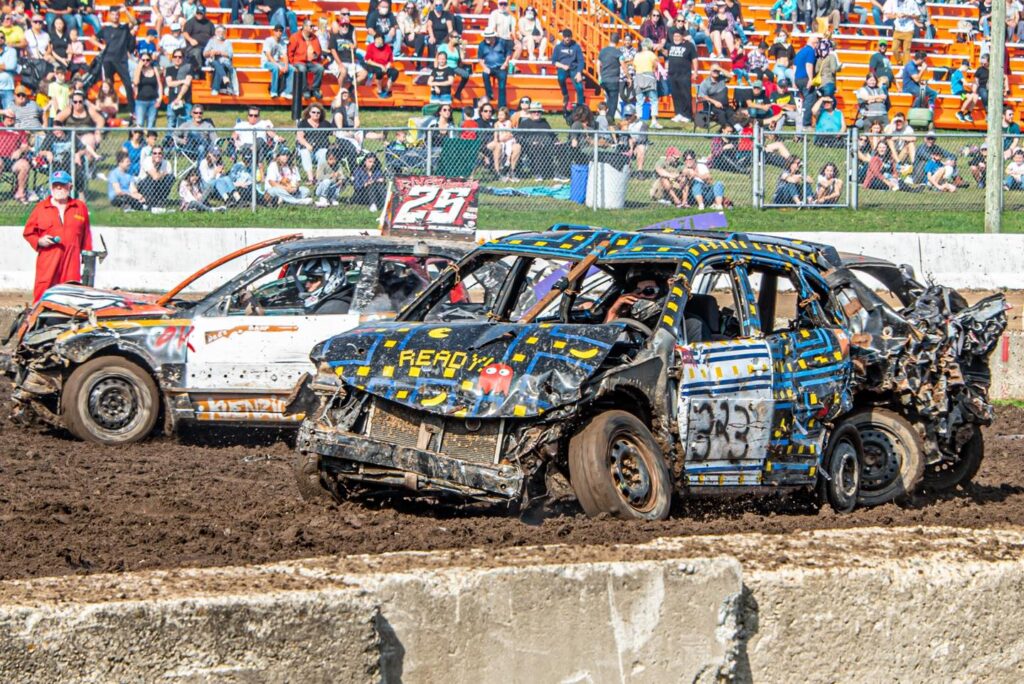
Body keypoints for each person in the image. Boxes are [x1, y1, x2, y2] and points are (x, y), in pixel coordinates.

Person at [23, 170, 91, 301]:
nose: (58, 188)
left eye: (62, 185)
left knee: (71, 293)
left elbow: (86, 235)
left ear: (70, 187)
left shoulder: (80, 207)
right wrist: (39, 241)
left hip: (71, 259)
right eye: (55, 185)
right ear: (51, 187)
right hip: (49, 259)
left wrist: (86, 257)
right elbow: (28, 232)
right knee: (43, 292)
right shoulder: (41, 208)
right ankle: (38, 319)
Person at [296, 103, 333, 183]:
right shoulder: (303, 123)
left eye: (318, 112)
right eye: (313, 112)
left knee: (324, 152)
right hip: (308, 150)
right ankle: (311, 178)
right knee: (305, 152)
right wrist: (307, 145)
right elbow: (300, 137)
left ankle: (318, 177)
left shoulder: (325, 124)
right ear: (309, 113)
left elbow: (334, 134)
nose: (316, 114)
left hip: (320, 150)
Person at [288, 19, 324, 101]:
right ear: (304, 27)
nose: (313, 28)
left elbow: (319, 50)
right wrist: (292, 63)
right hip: (299, 61)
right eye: (311, 26)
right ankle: (305, 90)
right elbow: (290, 51)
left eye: (313, 26)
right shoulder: (295, 37)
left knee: (320, 68)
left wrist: (316, 54)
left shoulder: (315, 37)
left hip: (311, 62)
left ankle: (315, 89)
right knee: (302, 68)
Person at [0, 110, 31, 203]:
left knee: (24, 165)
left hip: (13, 160)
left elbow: (25, 146)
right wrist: (4, 111)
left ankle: (20, 193)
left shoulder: (19, 130)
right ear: (4, 118)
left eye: (12, 118)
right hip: (1, 158)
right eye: (8, 117)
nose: (10, 119)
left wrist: (20, 150)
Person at [666, 29, 696, 123]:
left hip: (684, 74)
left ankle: (687, 115)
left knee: (686, 94)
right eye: (674, 36)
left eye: (678, 36)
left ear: (682, 37)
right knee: (676, 95)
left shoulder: (689, 46)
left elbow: (695, 59)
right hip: (672, 74)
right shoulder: (670, 46)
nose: (676, 38)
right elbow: (668, 58)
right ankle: (678, 113)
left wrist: (695, 71)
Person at [551, 29, 585, 113]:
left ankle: (580, 107)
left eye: (569, 37)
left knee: (580, 88)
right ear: (563, 37)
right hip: (563, 68)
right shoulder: (558, 47)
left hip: (574, 68)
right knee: (561, 78)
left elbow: (581, 61)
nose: (567, 39)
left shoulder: (576, 47)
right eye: (565, 37)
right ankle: (565, 94)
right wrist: (563, 66)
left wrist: (579, 73)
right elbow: (554, 61)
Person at [632, 38, 661, 128]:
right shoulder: (651, 54)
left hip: (638, 78)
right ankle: (654, 120)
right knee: (653, 100)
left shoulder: (637, 55)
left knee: (639, 101)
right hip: (649, 77)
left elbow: (634, 67)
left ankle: (639, 120)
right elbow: (656, 65)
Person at [793, 32, 819, 129]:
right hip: (805, 78)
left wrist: (794, 81)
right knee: (810, 99)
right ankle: (806, 123)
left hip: (798, 79)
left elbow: (794, 66)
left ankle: (802, 121)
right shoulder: (810, 51)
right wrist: (811, 79)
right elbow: (809, 65)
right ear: (814, 43)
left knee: (803, 101)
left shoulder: (800, 51)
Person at [136, 144, 173, 209]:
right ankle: (149, 201)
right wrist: (163, 173)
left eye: (159, 153)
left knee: (170, 177)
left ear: (163, 155)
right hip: (144, 186)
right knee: (150, 179)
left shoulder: (167, 163)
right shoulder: (147, 161)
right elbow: (155, 177)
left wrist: (159, 175)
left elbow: (169, 176)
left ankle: (160, 200)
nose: (157, 155)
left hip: (159, 186)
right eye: (155, 153)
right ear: (151, 155)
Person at [131, 51, 162, 129]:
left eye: (147, 60)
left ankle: (149, 140)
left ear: (151, 60)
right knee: (139, 124)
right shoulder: (138, 70)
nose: (145, 62)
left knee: (151, 125)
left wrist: (160, 99)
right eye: (143, 60)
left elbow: (159, 85)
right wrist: (139, 67)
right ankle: (139, 141)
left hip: (153, 101)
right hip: (141, 101)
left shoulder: (154, 69)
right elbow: (135, 82)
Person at [479, 29, 509, 109]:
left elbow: (508, 53)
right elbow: (480, 59)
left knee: (502, 85)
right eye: (486, 37)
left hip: (501, 67)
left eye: (489, 37)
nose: (487, 39)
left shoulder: (502, 42)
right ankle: (489, 95)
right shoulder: (482, 45)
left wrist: (505, 63)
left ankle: (501, 106)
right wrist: (485, 67)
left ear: (493, 37)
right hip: (489, 67)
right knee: (485, 74)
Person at [364, 31, 400, 99]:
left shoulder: (387, 47)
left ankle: (387, 89)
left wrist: (387, 66)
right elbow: (368, 60)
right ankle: (379, 90)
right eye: (376, 40)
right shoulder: (371, 46)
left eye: (379, 40)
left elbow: (390, 60)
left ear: (383, 41)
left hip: (385, 66)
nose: (377, 42)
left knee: (395, 72)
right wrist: (380, 66)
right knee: (379, 71)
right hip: (374, 65)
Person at [882, 0, 919, 65]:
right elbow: (887, 14)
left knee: (906, 50)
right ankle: (900, 62)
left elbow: (917, 15)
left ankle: (906, 68)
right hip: (898, 29)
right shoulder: (893, 1)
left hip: (908, 29)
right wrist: (896, 15)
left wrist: (907, 15)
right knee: (894, 49)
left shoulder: (912, 2)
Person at [489, 106, 521, 180]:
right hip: (501, 140)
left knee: (510, 146)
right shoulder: (496, 124)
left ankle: (508, 162)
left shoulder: (508, 122)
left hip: (508, 139)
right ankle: (500, 169)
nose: (500, 116)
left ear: (506, 115)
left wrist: (505, 137)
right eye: (499, 115)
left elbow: (509, 133)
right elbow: (496, 133)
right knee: (501, 147)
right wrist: (496, 140)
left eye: (502, 115)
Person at [164, 49, 193, 129]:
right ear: (172, 58)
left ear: (183, 58)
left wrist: (179, 98)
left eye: (180, 57)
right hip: (172, 100)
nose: (177, 59)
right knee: (171, 123)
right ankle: (170, 141)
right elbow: (169, 83)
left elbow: (187, 84)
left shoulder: (188, 68)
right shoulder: (169, 69)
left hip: (186, 100)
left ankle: (186, 141)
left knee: (187, 123)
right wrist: (182, 81)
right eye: (175, 56)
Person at [598, 32, 622, 122]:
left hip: (604, 79)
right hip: (613, 80)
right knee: (613, 101)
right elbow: (623, 64)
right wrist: (628, 76)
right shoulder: (618, 52)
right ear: (618, 41)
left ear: (610, 39)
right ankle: (609, 119)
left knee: (608, 99)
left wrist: (599, 75)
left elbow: (598, 63)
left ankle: (603, 117)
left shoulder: (603, 51)